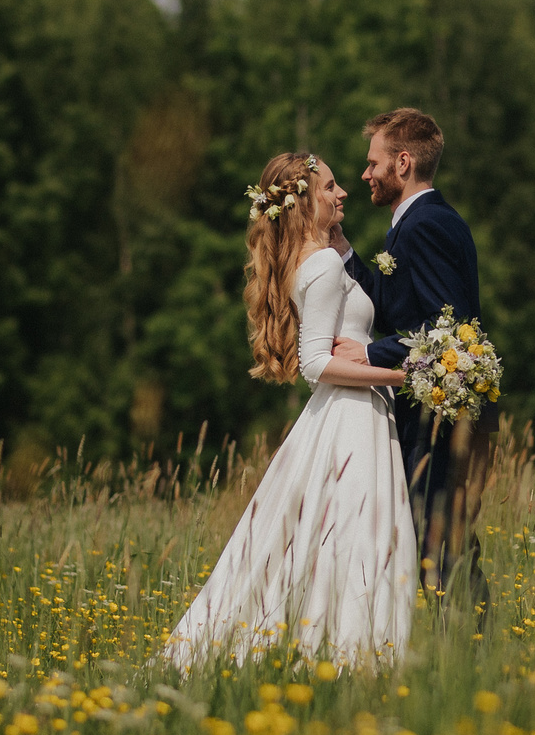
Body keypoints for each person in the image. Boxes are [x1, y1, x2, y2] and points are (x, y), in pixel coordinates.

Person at [165, 151, 414, 668]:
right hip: (350, 416)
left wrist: (344, 249)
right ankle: (353, 651)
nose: (342, 193)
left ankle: (346, 647)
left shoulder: (320, 257)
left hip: (354, 411)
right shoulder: (319, 265)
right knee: (358, 538)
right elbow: (316, 363)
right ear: (303, 201)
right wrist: (402, 374)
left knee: (339, 538)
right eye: (329, 188)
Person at [332, 107, 491, 608]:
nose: (365, 175)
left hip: (437, 418)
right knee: (439, 541)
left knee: (439, 543)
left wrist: (370, 352)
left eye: (373, 163)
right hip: (427, 408)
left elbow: (451, 330)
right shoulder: (415, 223)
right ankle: (470, 649)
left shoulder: (426, 225)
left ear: (403, 163)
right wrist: (343, 251)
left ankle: (472, 651)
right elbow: (403, 307)